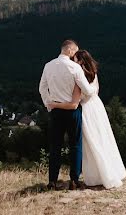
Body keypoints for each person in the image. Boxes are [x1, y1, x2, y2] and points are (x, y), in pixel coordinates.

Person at [47, 49, 126, 189]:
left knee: (90, 144)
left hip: (86, 111)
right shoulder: (93, 74)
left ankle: (97, 175)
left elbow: (74, 103)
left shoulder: (79, 78)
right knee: (102, 139)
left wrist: (55, 104)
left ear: (81, 61)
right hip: (97, 107)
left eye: (75, 59)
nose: (72, 62)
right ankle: (108, 171)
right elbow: (94, 92)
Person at [39, 39, 95, 190]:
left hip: (56, 110)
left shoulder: (48, 66)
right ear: (70, 50)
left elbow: (42, 88)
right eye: (75, 52)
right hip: (72, 111)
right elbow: (88, 91)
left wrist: (49, 104)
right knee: (75, 145)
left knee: (55, 146)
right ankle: (74, 180)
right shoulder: (75, 68)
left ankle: (52, 181)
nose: (75, 55)